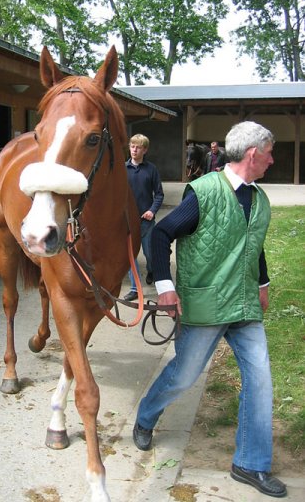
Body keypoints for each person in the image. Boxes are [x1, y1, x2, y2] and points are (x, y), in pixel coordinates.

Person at [132, 121, 287, 498]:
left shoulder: (259, 199)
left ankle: (249, 463)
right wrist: (165, 288)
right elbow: (161, 235)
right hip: (206, 304)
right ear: (253, 154)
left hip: (245, 305)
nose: (272, 160)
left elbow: (254, 243)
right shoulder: (203, 193)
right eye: (268, 152)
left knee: (261, 381)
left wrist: (262, 285)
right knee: (184, 377)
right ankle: (146, 416)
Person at [123, 134, 164, 302]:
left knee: (149, 254)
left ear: (145, 150)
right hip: (127, 222)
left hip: (146, 221)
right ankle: (135, 289)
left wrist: (152, 211)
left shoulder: (151, 169)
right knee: (130, 256)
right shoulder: (122, 168)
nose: (134, 149)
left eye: (138, 147)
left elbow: (159, 194)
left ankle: (151, 270)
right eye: (132, 146)